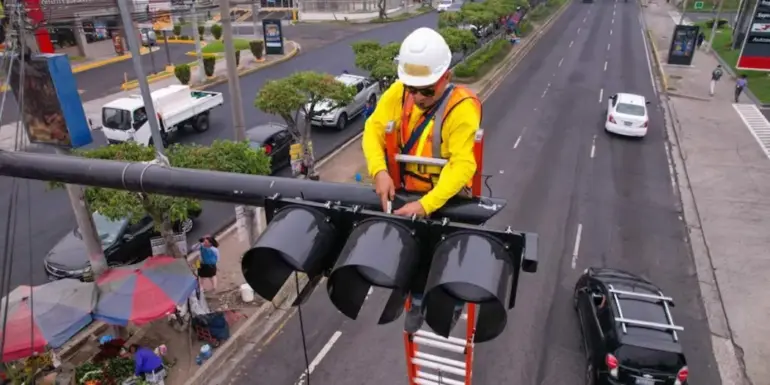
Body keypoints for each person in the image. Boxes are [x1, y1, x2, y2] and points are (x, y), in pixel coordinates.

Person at [362, 27, 482, 333]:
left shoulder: (461, 108)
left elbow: (462, 164)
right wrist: (379, 171)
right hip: (406, 190)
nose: (416, 97)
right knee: (409, 247)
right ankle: (416, 299)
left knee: (448, 254)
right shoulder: (401, 93)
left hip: (445, 196)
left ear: (446, 76)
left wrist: (427, 205)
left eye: (426, 91)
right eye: (412, 88)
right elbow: (373, 130)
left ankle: (450, 304)